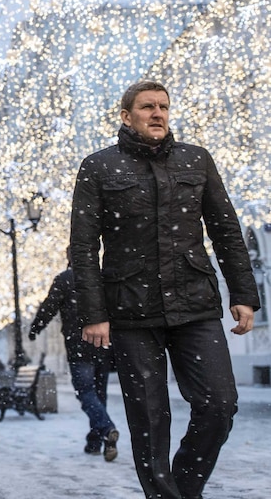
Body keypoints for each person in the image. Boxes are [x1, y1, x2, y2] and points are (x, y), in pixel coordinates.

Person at [70, 80, 260, 499]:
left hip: (195, 304)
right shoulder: (99, 167)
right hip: (130, 311)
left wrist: (243, 295)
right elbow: (83, 247)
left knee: (219, 405)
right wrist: (94, 313)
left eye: (163, 107)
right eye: (147, 107)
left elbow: (226, 231)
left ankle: (182, 489)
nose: (158, 113)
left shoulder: (197, 160)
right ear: (126, 116)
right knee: (150, 419)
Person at [28, 247, 119, 461]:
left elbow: (48, 308)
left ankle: (106, 429)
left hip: (79, 348)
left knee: (86, 393)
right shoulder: (102, 279)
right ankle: (96, 442)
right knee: (99, 395)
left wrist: (35, 328)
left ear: (69, 258)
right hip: (102, 346)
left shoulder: (65, 280)